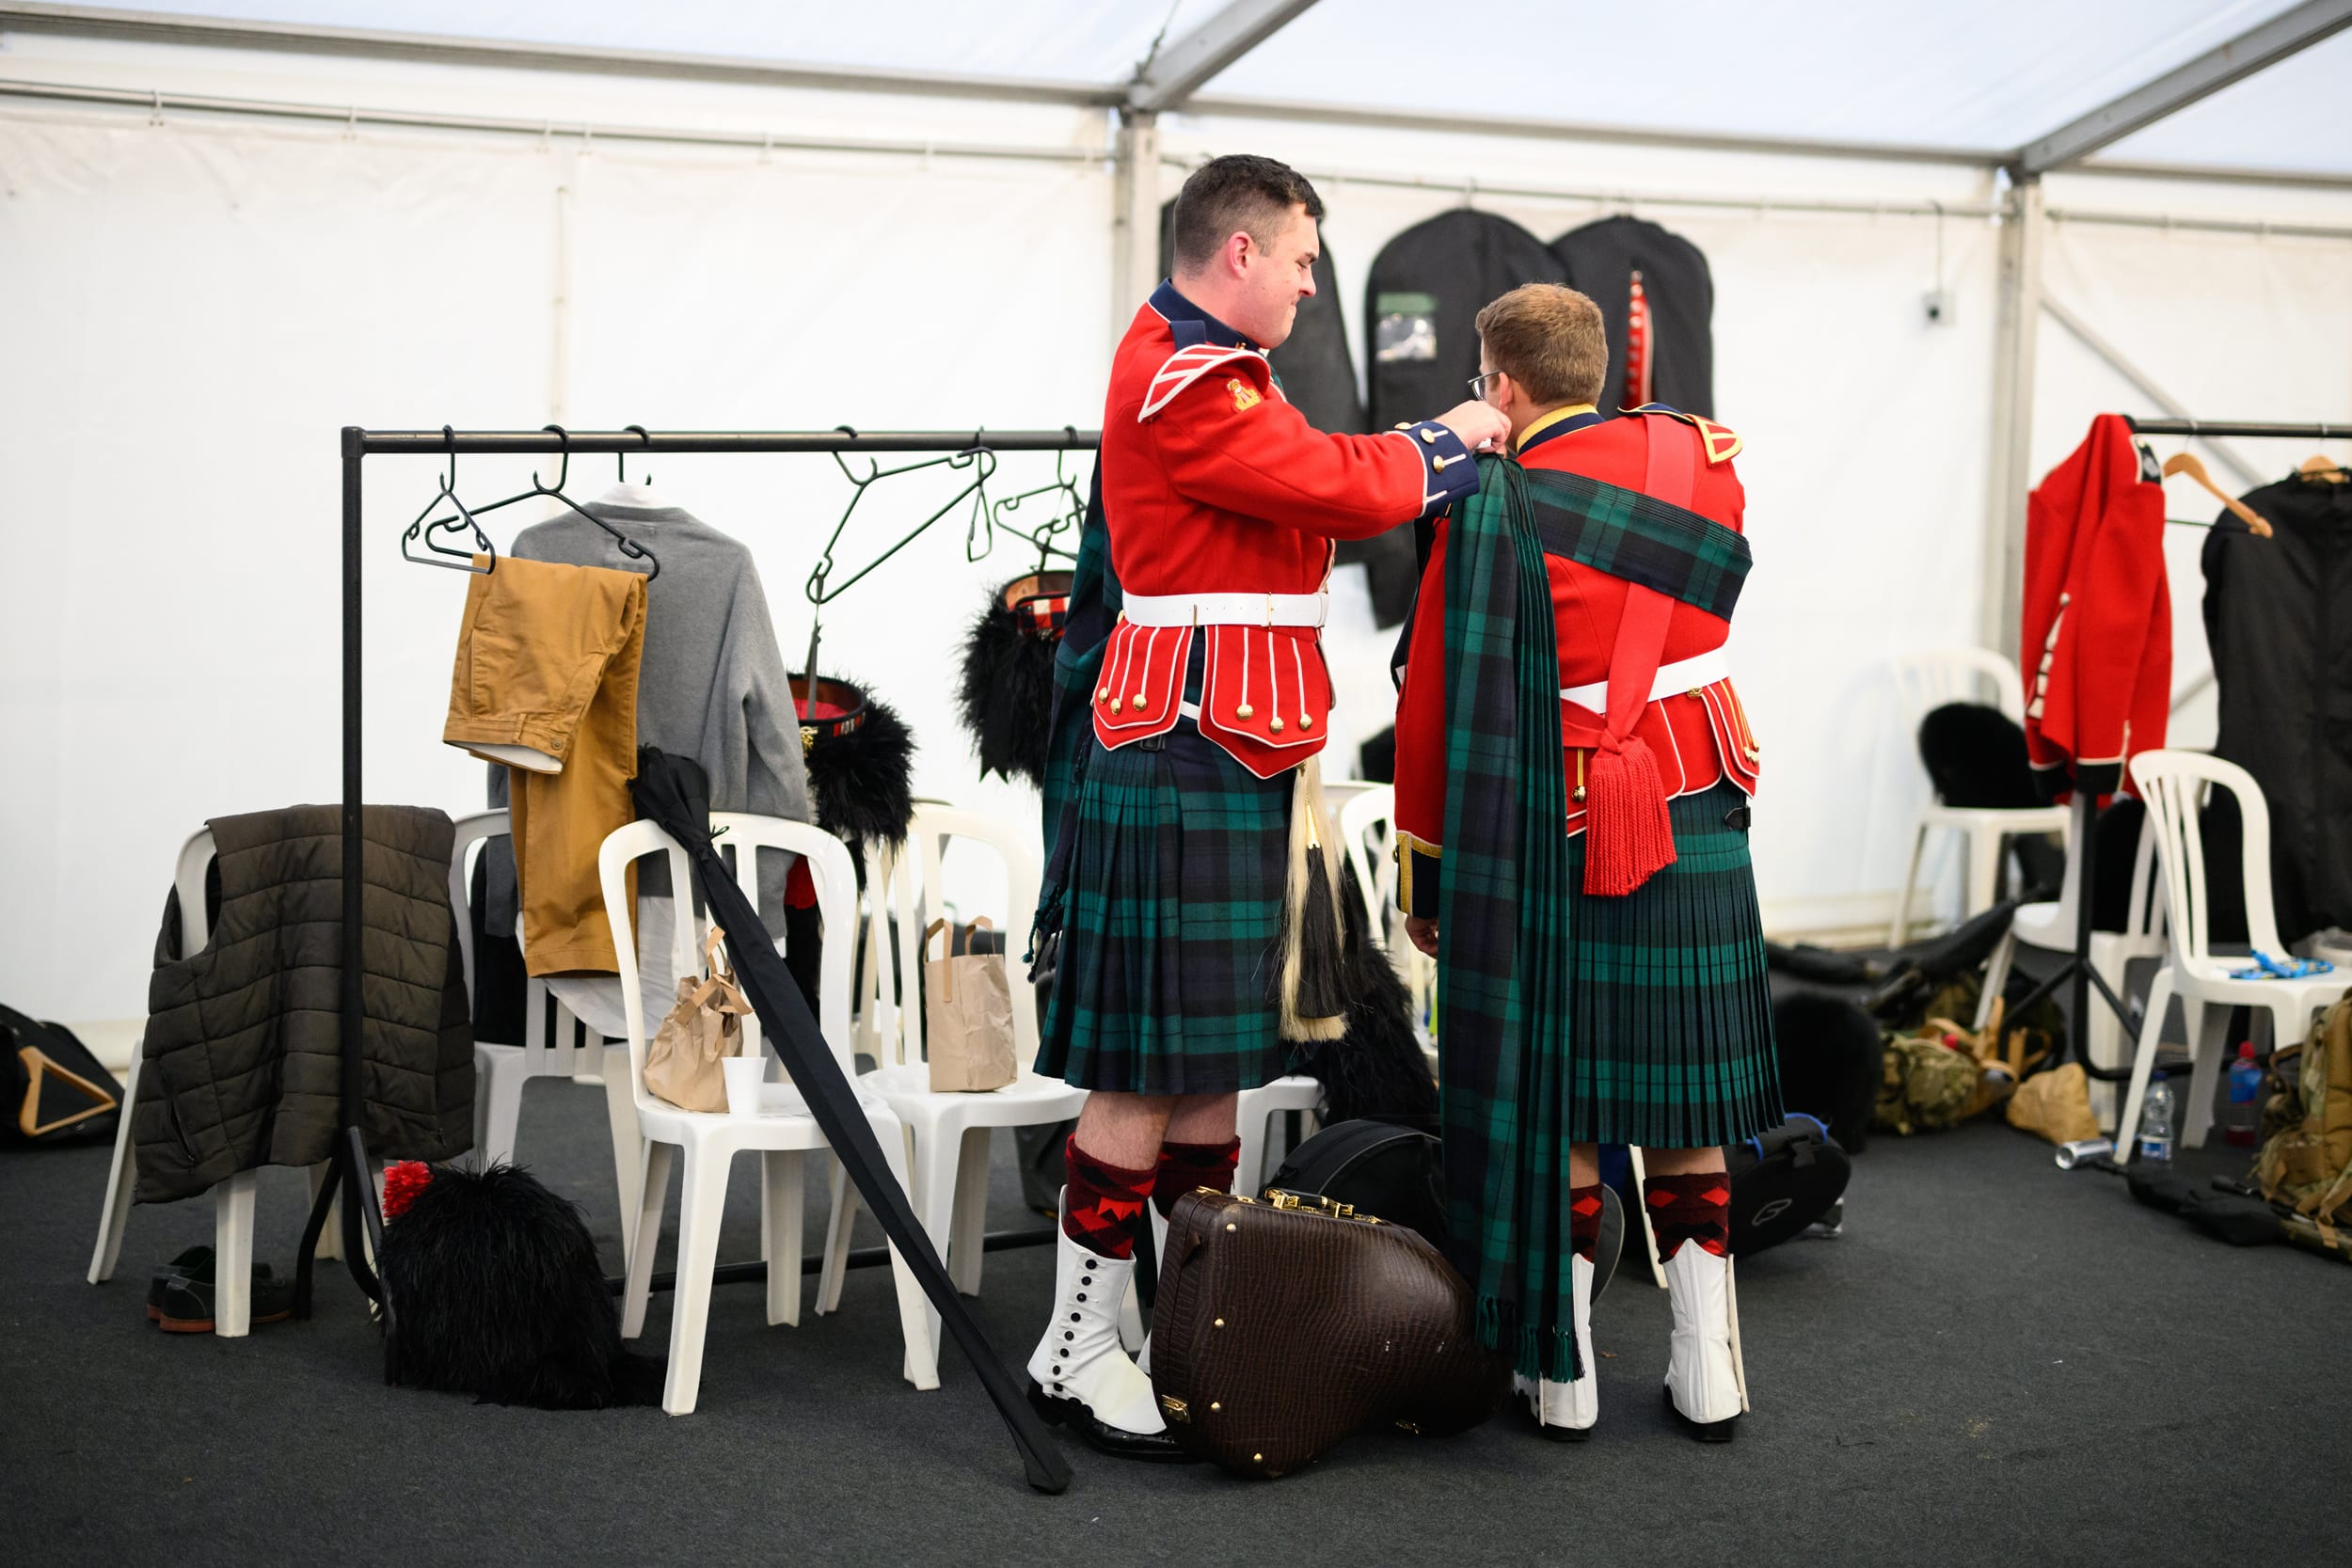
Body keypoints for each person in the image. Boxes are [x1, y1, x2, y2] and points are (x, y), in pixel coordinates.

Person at [1025, 154, 1511, 1460]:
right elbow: (1334, 487)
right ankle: (1072, 1342)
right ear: (1235, 253)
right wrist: (1445, 444)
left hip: (1227, 748)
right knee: (1141, 1075)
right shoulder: (1189, 377)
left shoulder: (1197, 361)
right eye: (1300, 258)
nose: (1310, 281)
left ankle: (1183, 1323)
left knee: (1212, 1080)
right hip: (1184, 745)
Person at [1391, 283, 1780, 1442]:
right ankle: (1708, 1361)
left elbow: (1435, 710)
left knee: (1556, 1096)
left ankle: (1560, 1379)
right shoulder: (1703, 461)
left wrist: (1428, 871)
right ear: (1598, 368)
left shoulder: (1483, 503)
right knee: (1685, 1090)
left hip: (1546, 811)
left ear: (1500, 386)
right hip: (1691, 786)